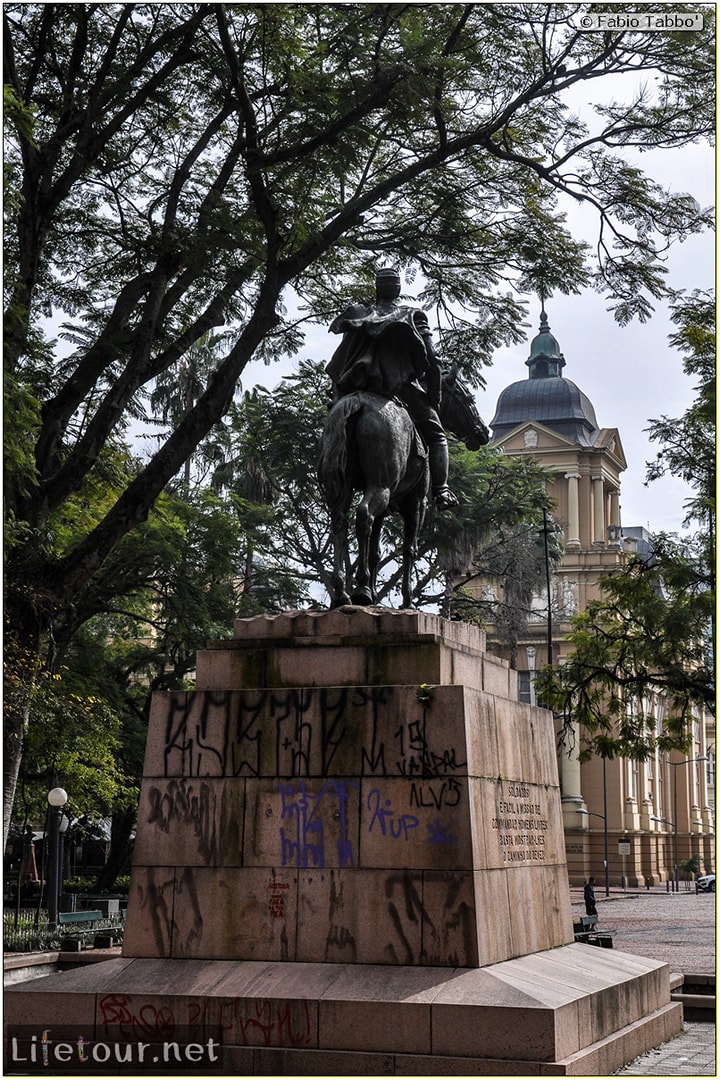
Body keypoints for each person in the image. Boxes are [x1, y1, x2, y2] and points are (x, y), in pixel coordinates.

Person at [326, 267, 459, 509]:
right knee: (437, 436)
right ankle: (442, 491)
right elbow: (432, 358)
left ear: (377, 289)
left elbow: (340, 361)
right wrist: (434, 396)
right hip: (398, 390)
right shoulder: (412, 315)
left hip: (354, 387)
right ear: (398, 289)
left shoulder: (359, 315)